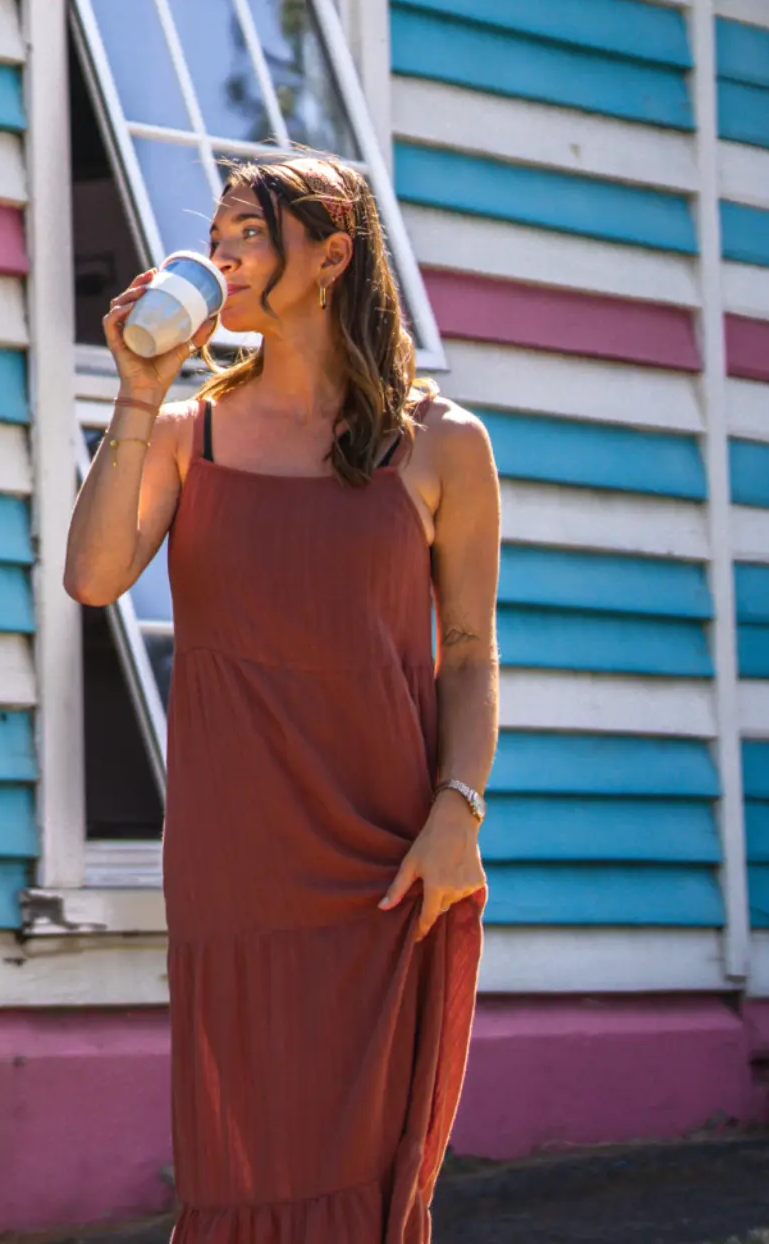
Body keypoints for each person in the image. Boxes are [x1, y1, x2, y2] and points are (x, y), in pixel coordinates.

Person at [64, 153, 500, 1244]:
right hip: (237, 855)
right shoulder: (185, 433)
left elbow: (466, 651)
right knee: (244, 1150)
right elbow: (92, 576)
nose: (222, 255)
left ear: (332, 256)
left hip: (386, 853)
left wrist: (459, 807)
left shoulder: (441, 443)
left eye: (247, 235)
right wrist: (134, 391)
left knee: (365, 1151)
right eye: (216, 234)